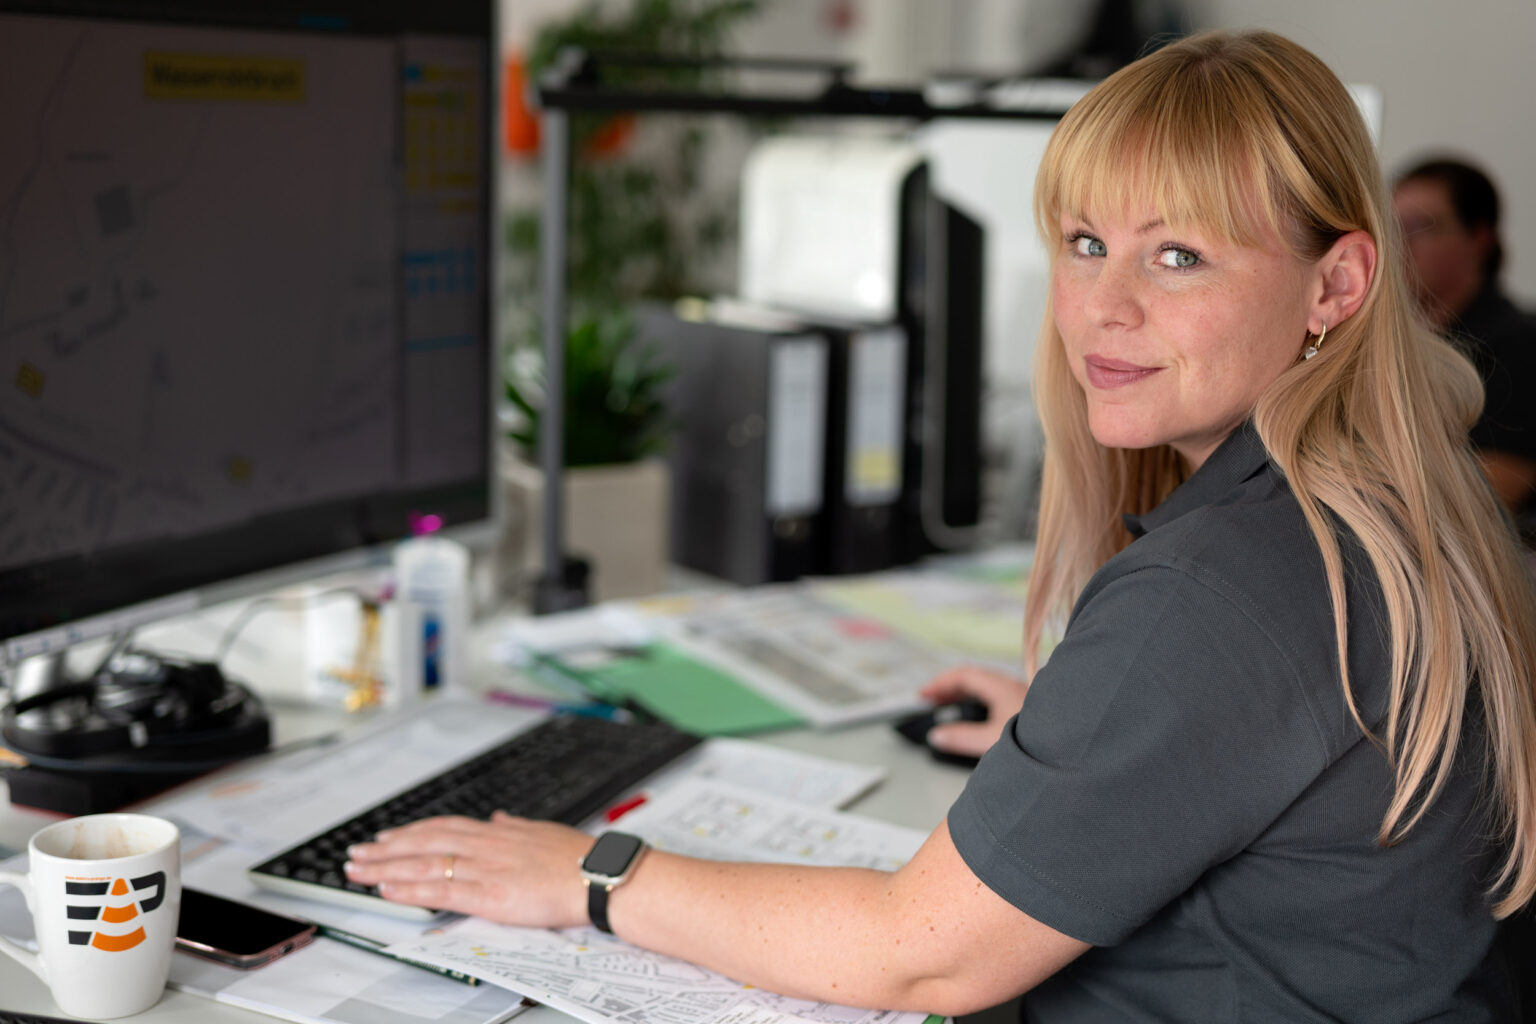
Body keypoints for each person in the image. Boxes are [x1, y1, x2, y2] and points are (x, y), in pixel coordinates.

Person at [345, 30, 1536, 1021]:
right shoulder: (1387, 492)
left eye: (1179, 254)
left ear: (1335, 284)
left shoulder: (1220, 587)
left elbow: (918, 952)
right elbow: (1298, 741)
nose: (1103, 308)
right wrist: (1104, 743)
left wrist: (589, 870)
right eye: (1085, 243)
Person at [1393, 157, 1536, 520]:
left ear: (1478, 238)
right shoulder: (1401, 342)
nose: (1399, 244)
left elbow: (1488, 499)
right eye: (1391, 226)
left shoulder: (1520, 346)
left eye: (1420, 226)